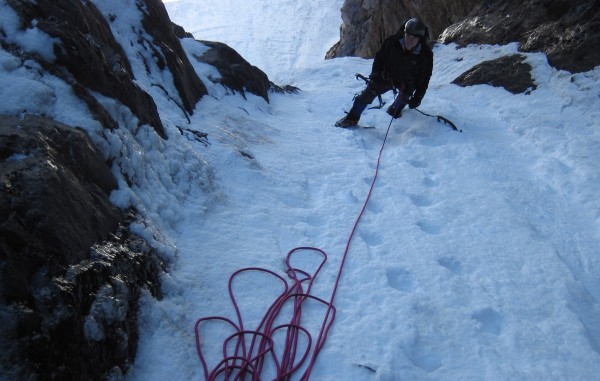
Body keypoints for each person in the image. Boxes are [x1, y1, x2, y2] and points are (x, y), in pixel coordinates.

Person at [335, 18, 434, 127]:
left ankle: (394, 109)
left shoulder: (425, 56)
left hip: (407, 83)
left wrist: (418, 97)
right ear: (404, 34)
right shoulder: (392, 43)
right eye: (408, 36)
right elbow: (380, 58)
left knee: (399, 105)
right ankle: (352, 118)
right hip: (387, 76)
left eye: (414, 38)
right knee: (367, 95)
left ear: (419, 39)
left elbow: (424, 78)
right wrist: (375, 75)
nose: (409, 40)